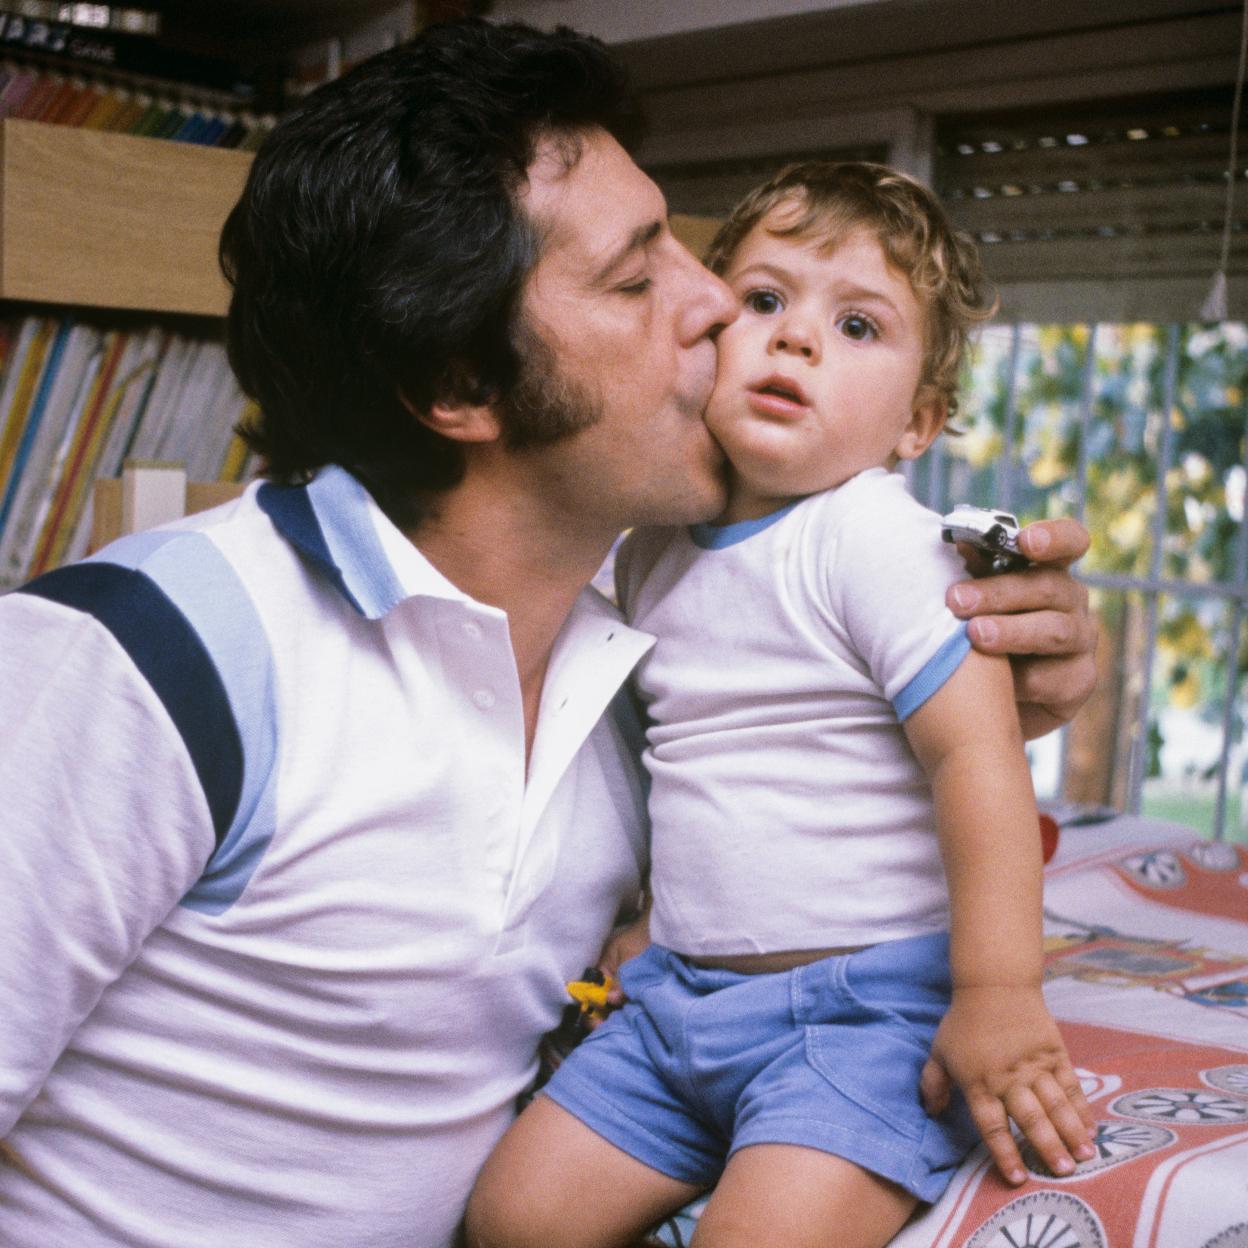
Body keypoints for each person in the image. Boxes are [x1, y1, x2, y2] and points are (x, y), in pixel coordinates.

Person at [0, 21, 1095, 1248]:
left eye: (685, 248)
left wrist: (1022, 684)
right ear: (463, 386)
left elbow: (826, 781)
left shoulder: (632, 653)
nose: (719, 302)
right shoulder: (135, 661)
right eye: (638, 279)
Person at [465, 161, 1098, 1248]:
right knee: (512, 1219)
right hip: (679, 1005)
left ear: (919, 421)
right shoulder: (649, 550)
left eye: (859, 327)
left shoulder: (876, 539)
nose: (797, 339)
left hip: (866, 1015)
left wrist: (997, 994)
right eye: (764, 302)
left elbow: (979, 764)